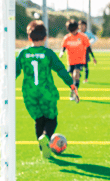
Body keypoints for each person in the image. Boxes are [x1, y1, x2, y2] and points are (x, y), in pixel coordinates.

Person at [16, 20, 78, 159]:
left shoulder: (23, 53)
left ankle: (42, 147)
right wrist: (71, 85)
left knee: (39, 120)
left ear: (29, 37)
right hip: (46, 92)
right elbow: (60, 70)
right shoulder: (48, 53)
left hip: (29, 93)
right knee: (51, 119)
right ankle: (46, 137)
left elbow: (15, 71)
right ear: (45, 38)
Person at [59, 19, 97, 100]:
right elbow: (64, 46)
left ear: (77, 28)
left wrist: (93, 57)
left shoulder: (83, 36)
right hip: (71, 60)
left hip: (80, 60)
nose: (73, 32)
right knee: (72, 78)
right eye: (71, 31)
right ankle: (72, 90)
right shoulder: (67, 37)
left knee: (75, 74)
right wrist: (61, 52)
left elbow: (88, 46)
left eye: (74, 30)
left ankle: (75, 92)